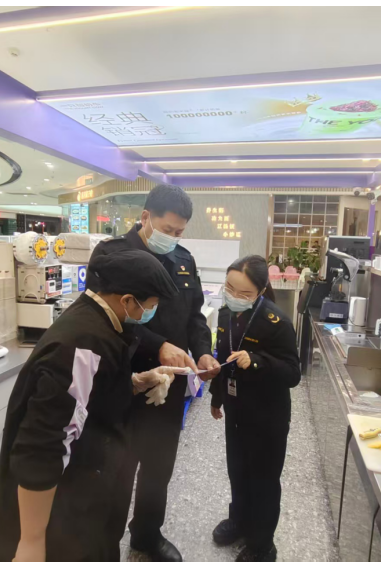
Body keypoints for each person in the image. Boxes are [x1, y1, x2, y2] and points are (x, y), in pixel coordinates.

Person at [0, 249, 184, 562]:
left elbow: (87, 399)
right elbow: (43, 449)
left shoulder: (98, 322)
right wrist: (32, 541)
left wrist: (134, 383)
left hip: (87, 495)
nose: (152, 311)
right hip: (58, 521)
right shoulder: (82, 345)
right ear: (127, 300)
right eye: (151, 304)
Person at [89, 184, 220, 561]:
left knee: (159, 466)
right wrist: (157, 345)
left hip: (170, 385)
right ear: (146, 217)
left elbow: (195, 316)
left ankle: (146, 533)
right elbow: (103, 317)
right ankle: (104, 545)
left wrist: (203, 352)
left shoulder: (183, 259)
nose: (174, 237)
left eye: (180, 231)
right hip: (125, 381)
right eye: (168, 229)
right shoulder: (112, 255)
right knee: (118, 467)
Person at [210, 255, 301, 562]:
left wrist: (257, 361)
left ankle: (263, 544)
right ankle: (239, 521)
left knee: (263, 479)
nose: (235, 296)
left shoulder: (276, 322)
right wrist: (216, 398)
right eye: (230, 288)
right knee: (237, 470)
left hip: (267, 416)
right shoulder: (226, 313)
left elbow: (293, 373)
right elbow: (222, 359)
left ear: (261, 291)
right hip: (236, 410)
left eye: (244, 293)